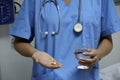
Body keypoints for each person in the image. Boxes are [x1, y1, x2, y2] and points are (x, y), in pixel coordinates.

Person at [9, 0, 120, 80]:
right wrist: (35, 53)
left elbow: (107, 39)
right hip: (48, 76)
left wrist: (99, 53)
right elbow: (19, 42)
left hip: (86, 76)